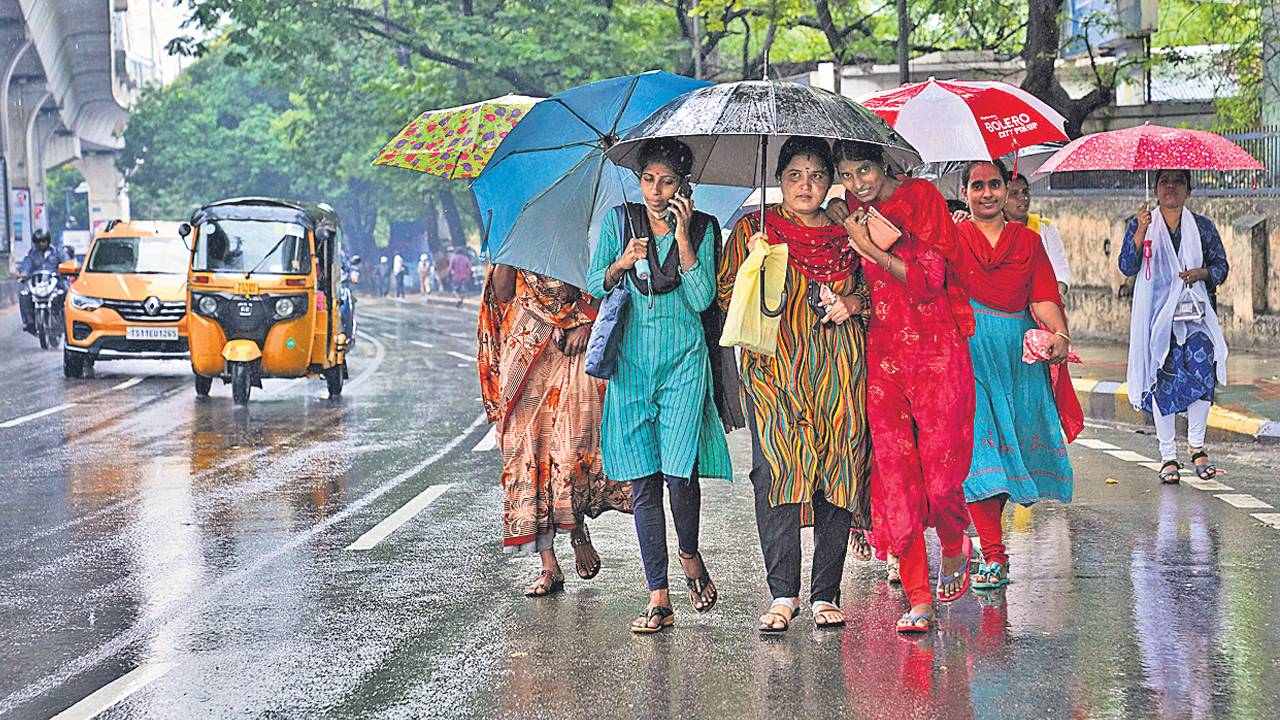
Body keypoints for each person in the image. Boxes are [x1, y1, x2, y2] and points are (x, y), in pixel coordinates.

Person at [718, 136, 871, 633]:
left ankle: (826, 593)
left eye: (817, 175)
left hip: (840, 369)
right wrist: (755, 266)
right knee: (776, 472)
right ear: (779, 179)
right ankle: (783, 593)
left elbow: (880, 289)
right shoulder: (753, 228)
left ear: (831, 181)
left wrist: (854, 304)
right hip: (773, 370)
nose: (806, 186)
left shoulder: (850, 231)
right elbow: (725, 296)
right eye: (794, 175)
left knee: (838, 470)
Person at [831, 140, 976, 634]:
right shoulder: (850, 209)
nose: (858, 183)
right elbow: (861, 282)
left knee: (939, 476)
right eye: (847, 174)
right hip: (883, 352)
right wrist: (848, 293)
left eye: (865, 169)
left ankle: (955, 538)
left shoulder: (923, 199)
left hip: (936, 347)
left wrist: (869, 246)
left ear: (885, 164)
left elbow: (928, 280)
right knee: (895, 475)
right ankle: (918, 597)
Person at [587, 138, 730, 634]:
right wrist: (621, 264)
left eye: (667, 181)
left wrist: (684, 236)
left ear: (684, 187)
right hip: (631, 367)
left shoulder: (706, 228)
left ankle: (689, 554)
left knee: (679, 473)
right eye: (649, 179)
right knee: (644, 481)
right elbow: (595, 283)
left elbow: (702, 297)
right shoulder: (619, 223)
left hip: (684, 363)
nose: (655, 189)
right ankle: (659, 596)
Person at [954, 159, 1080, 591]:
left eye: (994, 185)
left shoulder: (1028, 241)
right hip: (967, 353)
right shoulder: (953, 237)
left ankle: (990, 545)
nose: (986, 193)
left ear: (1008, 190)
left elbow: (1043, 297)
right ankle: (993, 553)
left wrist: (1059, 334)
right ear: (965, 191)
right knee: (978, 450)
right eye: (977, 186)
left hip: (1016, 358)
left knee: (1007, 453)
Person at [478, 264, 631, 596]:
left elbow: (605, 282)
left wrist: (588, 320)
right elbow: (502, 294)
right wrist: (505, 252)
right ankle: (549, 565)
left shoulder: (581, 228)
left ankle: (575, 529)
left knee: (570, 451)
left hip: (571, 350)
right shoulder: (517, 232)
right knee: (527, 458)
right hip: (522, 352)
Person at [1119, 169, 1229, 483]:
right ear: (1155, 188)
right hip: (1155, 318)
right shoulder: (1142, 222)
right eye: (1164, 181)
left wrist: (1202, 274)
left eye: (1178, 181)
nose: (1171, 187)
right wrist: (1139, 232)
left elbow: (1221, 266)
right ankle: (1168, 455)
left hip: (1196, 317)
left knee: (1201, 374)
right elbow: (1127, 265)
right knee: (1161, 378)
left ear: (1188, 190)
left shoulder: (1203, 227)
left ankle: (1196, 446)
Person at [1004, 174, 1071, 297]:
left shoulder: (1044, 227)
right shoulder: (994, 230)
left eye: (1025, 192)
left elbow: (1061, 271)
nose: (1023, 198)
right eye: (1014, 194)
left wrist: (1056, 297)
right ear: (1001, 198)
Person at [17, 230, 73, 335]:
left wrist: (67, 270)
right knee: (24, 294)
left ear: (48, 241)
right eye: (39, 242)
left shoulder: (57, 251)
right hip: (37, 282)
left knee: (67, 290)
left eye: (43, 241)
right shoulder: (32, 254)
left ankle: (67, 319)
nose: (41, 244)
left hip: (56, 281)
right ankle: (29, 322)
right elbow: (26, 264)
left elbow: (67, 262)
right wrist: (23, 273)